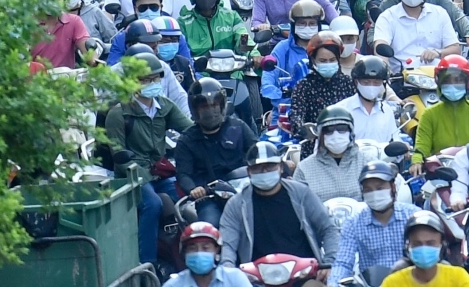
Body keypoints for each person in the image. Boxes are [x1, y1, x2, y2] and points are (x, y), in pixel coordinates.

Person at [105, 50, 193, 265]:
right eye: (145, 79)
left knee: (187, 198)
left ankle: (186, 254)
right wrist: (144, 174)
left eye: (155, 78)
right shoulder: (119, 113)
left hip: (160, 171)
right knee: (152, 204)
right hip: (132, 176)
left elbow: (191, 132)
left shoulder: (164, 106)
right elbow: (119, 156)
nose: (151, 83)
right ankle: (147, 264)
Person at [220, 142, 340, 277]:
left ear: (281, 168)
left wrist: (330, 263)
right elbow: (227, 243)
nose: (264, 171)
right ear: (249, 172)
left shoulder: (301, 193)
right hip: (257, 279)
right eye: (257, 168)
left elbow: (329, 228)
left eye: (270, 166)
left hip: (304, 274)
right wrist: (228, 269)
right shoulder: (236, 205)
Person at [175, 79, 257, 226]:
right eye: (204, 106)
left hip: (242, 191)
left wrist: (282, 166)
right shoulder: (186, 140)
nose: (210, 110)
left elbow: (257, 152)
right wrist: (194, 189)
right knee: (210, 226)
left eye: (214, 105)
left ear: (222, 105)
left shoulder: (238, 127)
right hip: (209, 199)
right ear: (195, 109)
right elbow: (183, 174)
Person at [329, 162, 418, 287]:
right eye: (368, 190)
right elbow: (343, 262)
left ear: (392, 187)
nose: (375, 194)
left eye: (380, 188)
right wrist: (334, 284)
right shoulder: (354, 222)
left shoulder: (413, 215)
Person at [374, 0, 461, 64]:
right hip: (401, 77)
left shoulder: (440, 14)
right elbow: (380, 48)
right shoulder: (387, 17)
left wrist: (437, 52)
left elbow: (455, 49)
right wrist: (386, 69)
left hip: (436, 76)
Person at [290, 35, 358, 158]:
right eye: (323, 61)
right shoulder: (304, 86)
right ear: (313, 60)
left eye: (332, 60)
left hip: (347, 146)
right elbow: (296, 114)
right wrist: (306, 130)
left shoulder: (347, 83)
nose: (328, 64)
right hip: (314, 148)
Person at [409, 55, 469, 176]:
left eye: (458, 80)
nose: (452, 85)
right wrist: (417, 161)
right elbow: (421, 146)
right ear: (438, 82)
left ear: (467, 83)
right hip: (442, 172)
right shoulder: (429, 114)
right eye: (447, 81)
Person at [379, 211, 469, 287]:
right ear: (408, 247)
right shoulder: (393, 283)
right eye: (417, 244)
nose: (423, 248)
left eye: (430, 243)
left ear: (442, 245)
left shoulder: (458, 278)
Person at [177, 0, 249, 58]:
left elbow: (243, 36)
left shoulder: (231, 16)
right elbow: (181, 52)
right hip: (199, 70)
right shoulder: (183, 22)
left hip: (231, 68)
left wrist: (252, 54)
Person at [341, 57, 401, 143]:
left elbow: (394, 139)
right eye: (366, 82)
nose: (371, 86)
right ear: (356, 82)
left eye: (376, 82)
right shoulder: (343, 110)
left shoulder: (387, 111)